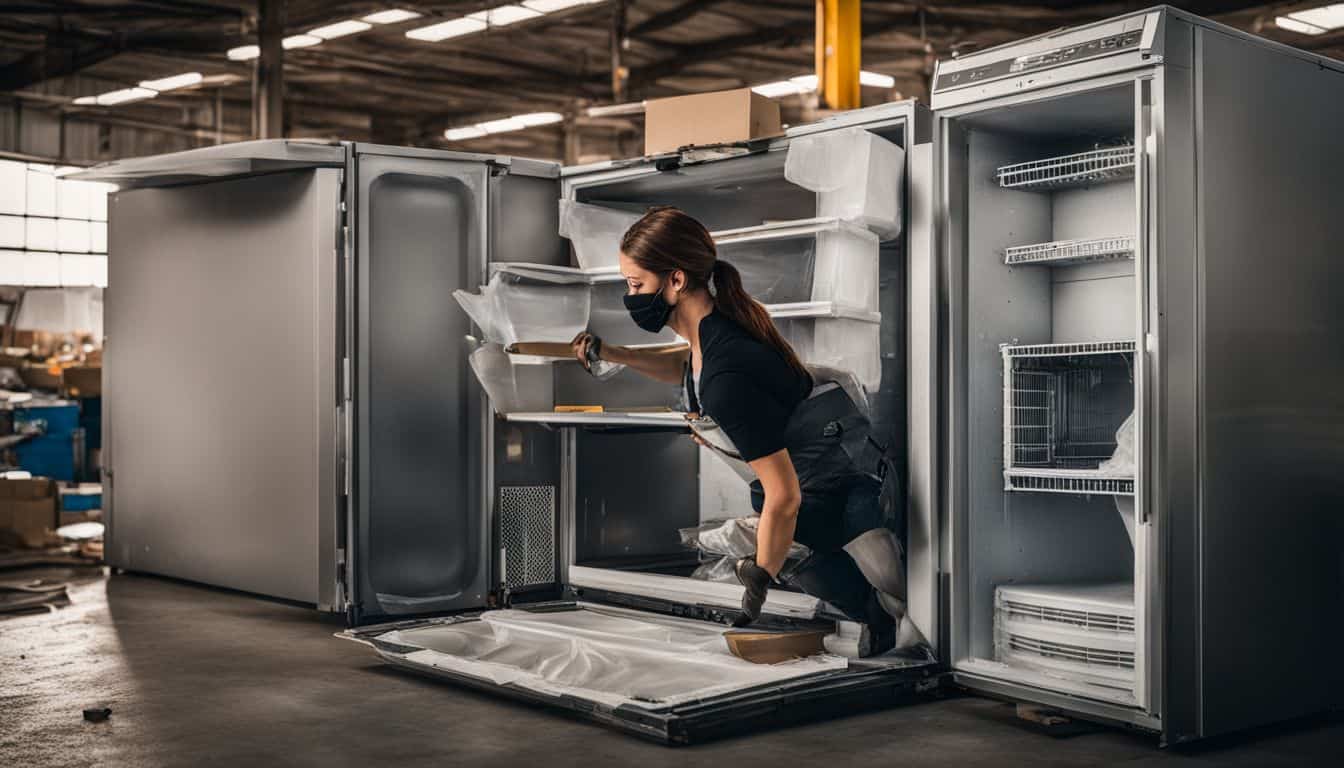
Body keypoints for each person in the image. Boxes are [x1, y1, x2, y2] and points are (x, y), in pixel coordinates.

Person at [570, 206, 906, 657]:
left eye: (636, 285)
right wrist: (615, 353)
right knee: (804, 559)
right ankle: (872, 623)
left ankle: (880, 627)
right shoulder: (714, 333)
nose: (630, 296)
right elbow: (683, 364)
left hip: (845, 502)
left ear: (675, 281)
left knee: (879, 597)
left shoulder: (726, 375)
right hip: (818, 492)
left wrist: (759, 575)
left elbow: (784, 497)